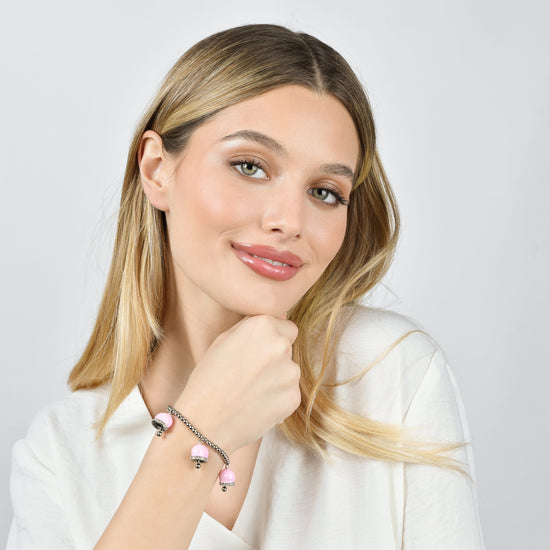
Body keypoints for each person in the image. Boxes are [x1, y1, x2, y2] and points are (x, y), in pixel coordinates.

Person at [7, 24, 485, 549]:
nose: (289, 221)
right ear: (157, 169)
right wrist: (196, 433)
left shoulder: (390, 374)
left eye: (325, 192)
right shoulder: (60, 456)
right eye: (250, 166)